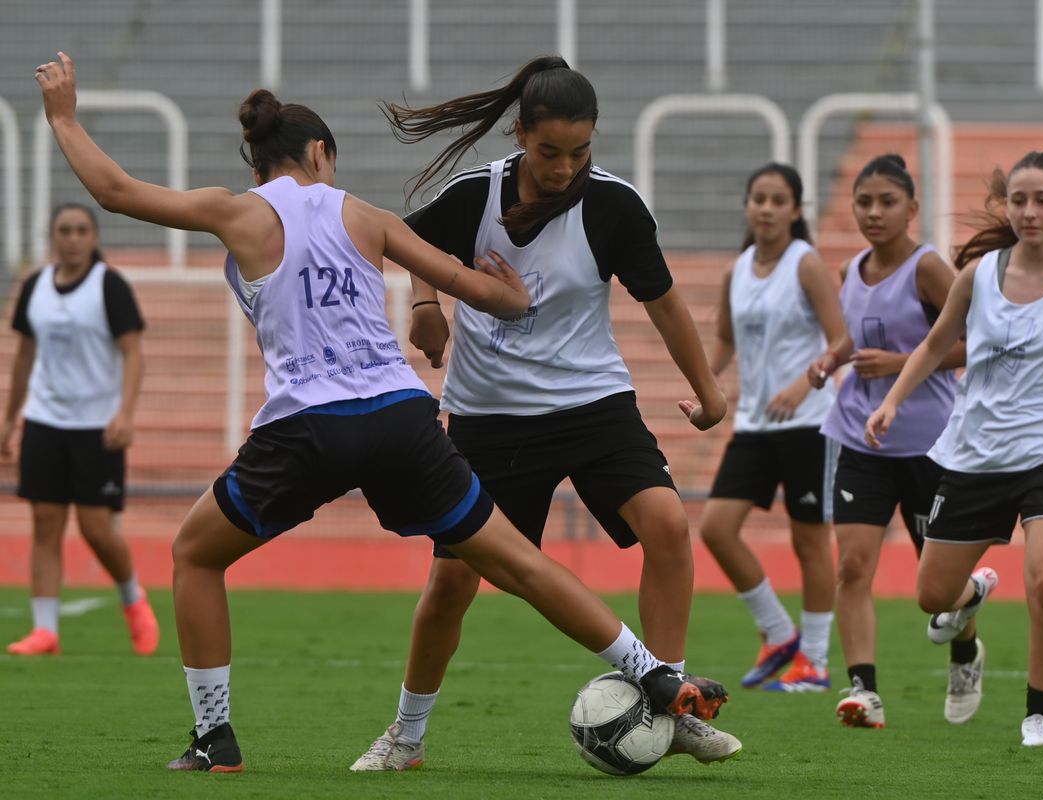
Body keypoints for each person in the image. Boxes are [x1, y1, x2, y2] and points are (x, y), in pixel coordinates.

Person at [35, 52, 728, 774]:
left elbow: (114, 192)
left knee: (195, 554)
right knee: (519, 565)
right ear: (321, 154)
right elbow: (466, 281)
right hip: (403, 419)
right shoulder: (359, 213)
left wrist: (62, 116)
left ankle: (216, 739)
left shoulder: (235, 210)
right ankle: (650, 672)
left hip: (309, 427)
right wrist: (509, 301)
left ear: (259, 162)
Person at [351, 55, 740, 772]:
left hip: (593, 405)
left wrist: (710, 392)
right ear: (521, 133)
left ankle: (670, 700)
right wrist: (428, 305)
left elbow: (665, 305)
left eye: (581, 151)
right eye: (550, 151)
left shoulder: (615, 206)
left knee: (667, 524)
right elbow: (410, 246)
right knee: (451, 587)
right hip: (488, 418)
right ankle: (406, 736)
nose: (565, 167)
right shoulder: (476, 196)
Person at [864, 150, 1043, 746]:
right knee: (931, 597)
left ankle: (1038, 716)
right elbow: (934, 345)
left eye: (1042, 199)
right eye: (1019, 200)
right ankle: (970, 598)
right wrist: (891, 402)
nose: (1029, 210)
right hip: (975, 455)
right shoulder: (977, 276)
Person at [807, 154, 966, 728]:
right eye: (864, 202)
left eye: (887, 202)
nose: (873, 213)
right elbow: (856, 332)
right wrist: (833, 357)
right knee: (851, 567)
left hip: (928, 442)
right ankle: (863, 692)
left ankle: (966, 648)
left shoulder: (929, 270)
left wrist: (900, 363)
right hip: (858, 438)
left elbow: (973, 345)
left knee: (939, 582)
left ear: (912, 209)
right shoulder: (851, 268)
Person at [698, 163, 842, 694]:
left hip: (809, 423)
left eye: (778, 200)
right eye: (758, 197)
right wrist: (703, 386)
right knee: (715, 527)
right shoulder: (736, 271)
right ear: (747, 205)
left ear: (796, 210)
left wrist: (806, 385)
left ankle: (817, 664)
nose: (766, 208)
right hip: (756, 424)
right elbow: (724, 345)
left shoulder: (806, 264)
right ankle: (779, 633)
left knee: (810, 544)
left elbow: (839, 341)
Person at [2, 202, 159, 658]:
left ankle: (133, 600)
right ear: (52, 236)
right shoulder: (35, 286)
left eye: (80, 230)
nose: (71, 238)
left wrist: (125, 414)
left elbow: (133, 353)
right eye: (64, 230)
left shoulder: (108, 286)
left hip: (97, 426)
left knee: (96, 528)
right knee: (45, 523)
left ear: (93, 237)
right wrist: (10, 418)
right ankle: (45, 630)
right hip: (45, 420)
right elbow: (25, 356)